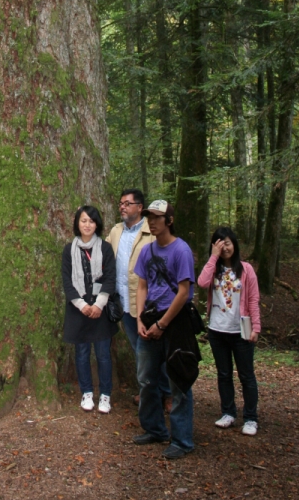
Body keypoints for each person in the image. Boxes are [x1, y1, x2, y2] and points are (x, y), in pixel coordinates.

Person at [133, 200, 199, 459]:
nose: (152, 221)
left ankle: (182, 440)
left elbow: (184, 292)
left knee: (179, 380)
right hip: (150, 318)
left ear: (169, 220)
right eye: (149, 216)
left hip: (176, 321)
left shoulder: (181, 250)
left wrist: (163, 324)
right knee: (146, 378)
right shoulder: (147, 252)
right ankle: (155, 429)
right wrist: (140, 319)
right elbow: (142, 287)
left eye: (157, 217)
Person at [106, 188, 171, 409]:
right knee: (138, 350)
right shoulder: (116, 231)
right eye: (121, 203)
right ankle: (150, 393)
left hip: (148, 304)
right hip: (123, 302)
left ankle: (167, 393)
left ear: (139, 207)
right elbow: (102, 252)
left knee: (155, 351)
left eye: (127, 203)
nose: (122, 207)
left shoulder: (151, 231)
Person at [197, 226, 261, 436]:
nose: (225, 247)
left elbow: (253, 300)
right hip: (217, 330)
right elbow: (202, 282)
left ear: (235, 244)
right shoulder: (213, 269)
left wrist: (256, 328)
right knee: (224, 374)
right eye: (219, 243)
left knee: (246, 375)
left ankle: (250, 418)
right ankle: (228, 413)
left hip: (241, 331)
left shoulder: (246, 269)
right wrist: (213, 258)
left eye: (228, 243)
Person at [62, 205, 119, 414]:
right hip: (78, 310)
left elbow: (110, 277)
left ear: (97, 224)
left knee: (103, 354)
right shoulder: (69, 250)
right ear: (78, 222)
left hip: (100, 309)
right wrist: (82, 305)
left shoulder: (105, 248)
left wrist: (98, 304)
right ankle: (86, 392)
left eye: (92, 221)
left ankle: (105, 394)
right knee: (82, 353)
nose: (87, 225)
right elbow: (67, 281)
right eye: (84, 220)